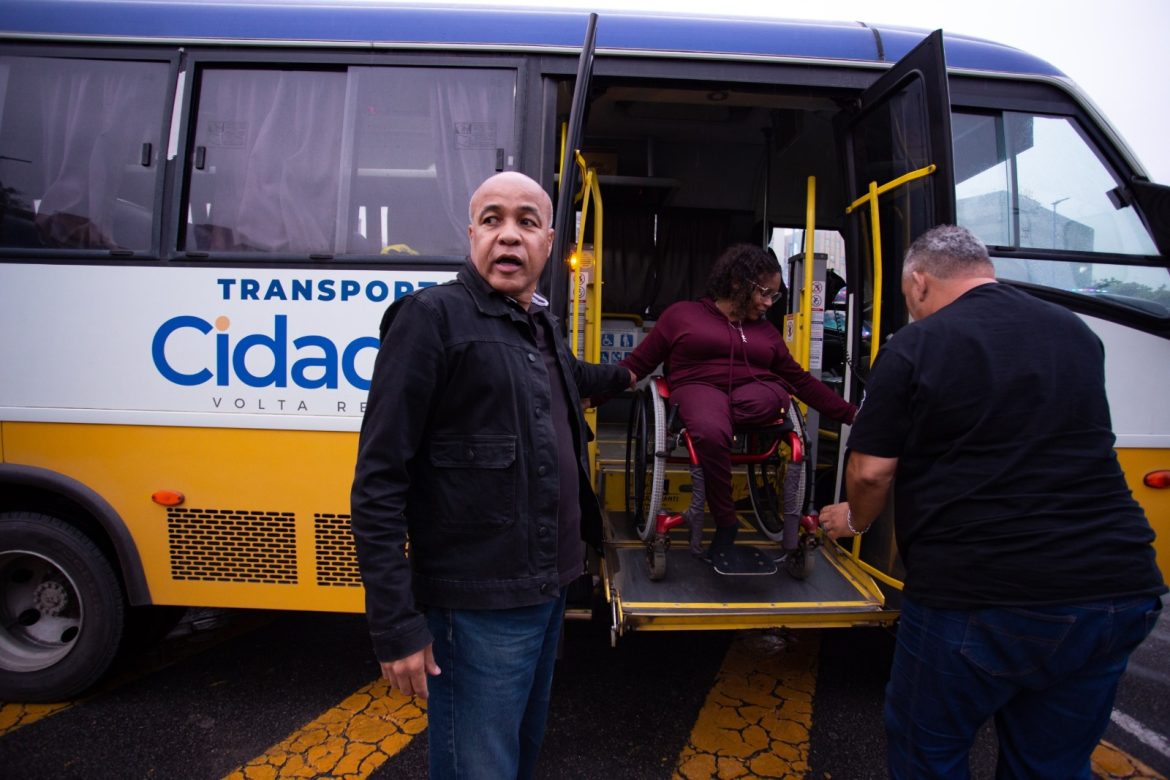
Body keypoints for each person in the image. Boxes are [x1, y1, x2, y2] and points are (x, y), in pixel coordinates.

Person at [819, 224, 1165, 778]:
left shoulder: (916, 344)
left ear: (919, 281)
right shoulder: (1073, 332)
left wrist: (856, 521)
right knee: (1050, 765)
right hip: (1116, 589)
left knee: (928, 754)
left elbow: (870, 470)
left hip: (979, 593)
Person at [350, 171, 633, 779]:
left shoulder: (539, 323)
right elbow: (378, 479)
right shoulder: (430, 320)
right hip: (476, 605)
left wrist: (641, 367)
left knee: (518, 757)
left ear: (549, 241)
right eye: (493, 220)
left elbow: (575, 380)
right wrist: (396, 624)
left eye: (526, 222)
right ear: (472, 232)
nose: (509, 236)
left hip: (550, 587)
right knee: (479, 768)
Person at [620, 243, 857, 562]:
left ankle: (723, 417)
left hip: (752, 393)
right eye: (764, 293)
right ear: (736, 282)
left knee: (774, 397)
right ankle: (727, 522)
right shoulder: (683, 315)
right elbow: (637, 365)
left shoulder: (766, 331)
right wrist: (589, 396)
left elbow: (799, 381)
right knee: (710, 429)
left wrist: (852, 415)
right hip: (697, 386)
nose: (768, 303)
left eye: (774, 295)